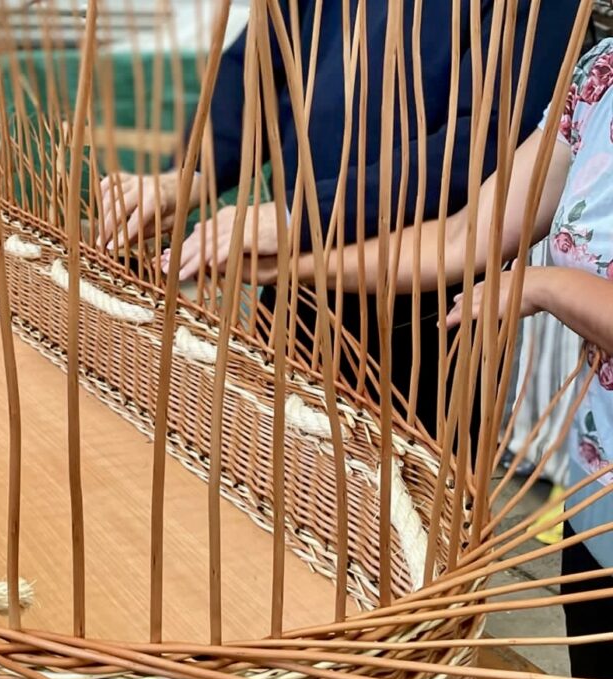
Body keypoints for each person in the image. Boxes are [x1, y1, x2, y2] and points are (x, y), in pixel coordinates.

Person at [276, 37, 613, 679]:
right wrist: (286, 256)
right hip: (597, 500)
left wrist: (545, 286)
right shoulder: (598, 78)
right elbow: (463, 238)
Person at [95, 0, 576, 435]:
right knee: (267, 465)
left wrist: (302, 216)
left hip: (429, 308)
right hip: (295, 280)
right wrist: (190, 173)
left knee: (398, 504)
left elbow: (483, 145)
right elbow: (258, 63)